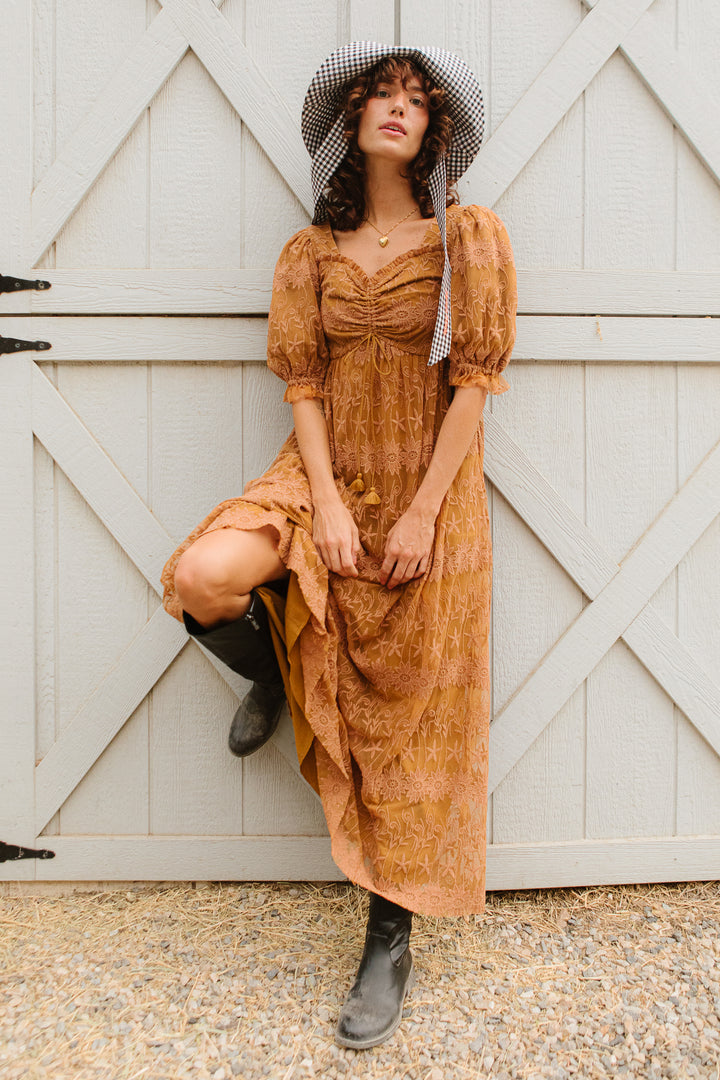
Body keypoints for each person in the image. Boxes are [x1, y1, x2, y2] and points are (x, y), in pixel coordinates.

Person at [160, 42, 517, 1050]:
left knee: (408, 724)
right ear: (350, 123)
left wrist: (417, 516)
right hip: (319, 472)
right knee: (201, 578)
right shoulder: (310, 254)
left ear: (436, 130)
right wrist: (321, 501)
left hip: (425, 490)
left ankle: (388, 937)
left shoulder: (466, 240)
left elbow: (475, 389)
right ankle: (278, 664)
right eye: (381, 95)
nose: (398, 108)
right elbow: (304, 386)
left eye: (417, 100)